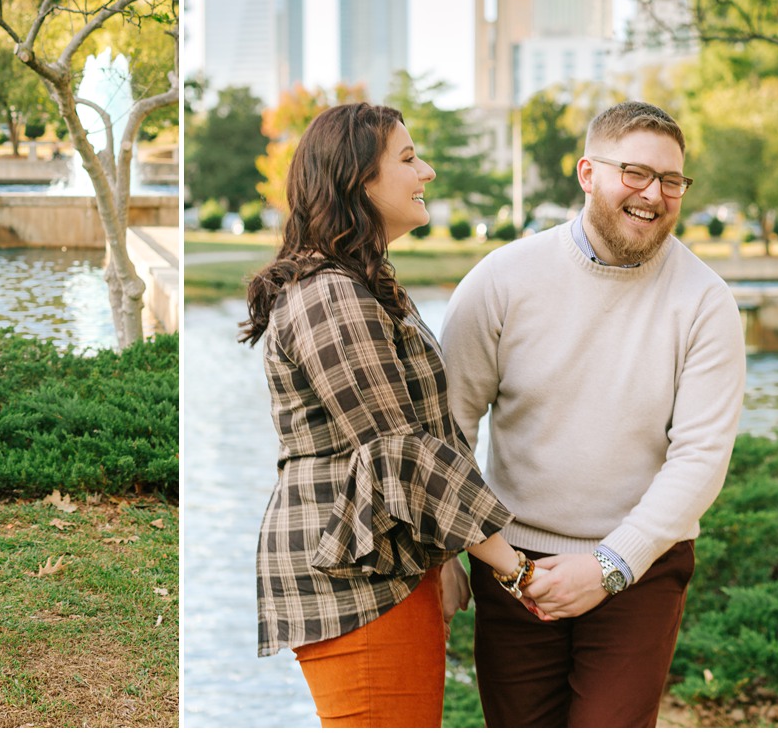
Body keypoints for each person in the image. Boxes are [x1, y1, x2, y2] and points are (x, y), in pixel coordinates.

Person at [440, 100, 747, 727]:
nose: (654, 194)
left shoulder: (706, 303)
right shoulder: (500, 281)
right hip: (511, 564)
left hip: (642, 566)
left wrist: (610, 567)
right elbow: (447, 428)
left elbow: (701, 458)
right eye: (634, 173)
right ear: (587, 173)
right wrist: (451, 553)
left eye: (671, 181)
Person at [241, 102, 541, 728]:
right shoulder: (330, 295)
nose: (426, 172)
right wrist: (514, 569)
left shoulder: (359, 284)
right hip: (356, 578)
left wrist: (449, 558)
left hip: (387, 565)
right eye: (408, 159)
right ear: (359, 182)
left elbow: (413, 441)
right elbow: (400, 449)